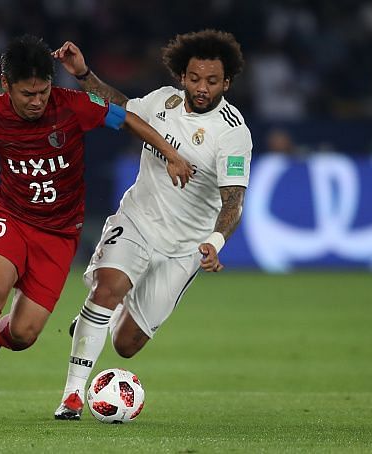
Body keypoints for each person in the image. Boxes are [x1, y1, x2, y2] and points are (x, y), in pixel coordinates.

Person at [0, 34, 193, 422]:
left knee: (24, 335)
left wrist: (172, 153)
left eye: (43, 91)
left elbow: (127, 118)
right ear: (6, 85)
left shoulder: (73, 106)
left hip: (59, 234)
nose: (37, 100)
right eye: (27, 93)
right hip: (11, 217)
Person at [51, 29, 252, 420]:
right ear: (182, 75)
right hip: (138, 220)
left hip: (184, 248)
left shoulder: (233, 134)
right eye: (195, 78)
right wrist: (83, 74)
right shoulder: (163, 101)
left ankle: (94, 319)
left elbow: (233, 201)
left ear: (226, 83)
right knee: (109, 287)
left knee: (126, 344)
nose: (201, 87)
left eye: (212, 81)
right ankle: (72, 395)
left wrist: (215, 242)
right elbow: (121, 109)